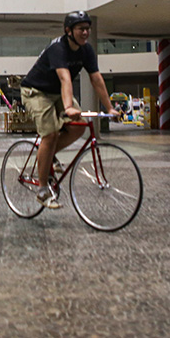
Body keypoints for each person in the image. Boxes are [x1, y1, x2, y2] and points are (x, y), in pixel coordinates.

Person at [20, 11, 118, 209]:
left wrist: (110, 107)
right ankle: (42, 189)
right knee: (51, 133)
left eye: (87, 29)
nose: (85, 32)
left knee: (79, 125)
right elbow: (65, 78)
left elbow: (96, 79)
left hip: (57, 92)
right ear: (68, 31)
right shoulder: (58, 48)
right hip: (36, 91)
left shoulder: (86, 50)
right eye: (81, 29)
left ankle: (46, 156)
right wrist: (67, 107)